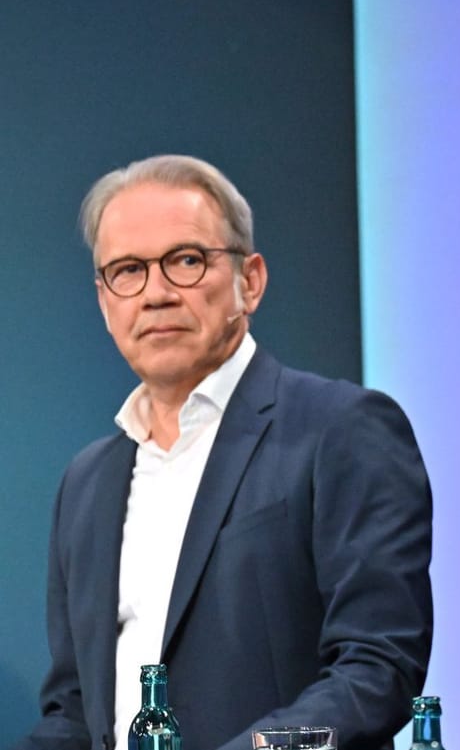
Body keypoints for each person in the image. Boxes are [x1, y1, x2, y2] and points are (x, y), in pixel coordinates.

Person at [16, 155, 434, 750]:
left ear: (251, 280)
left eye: (186, 261)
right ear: (105, 301)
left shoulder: (341, 430)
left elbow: (377, 669)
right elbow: (74, 712)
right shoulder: (86, 483)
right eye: (127, 270)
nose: (156, 293)